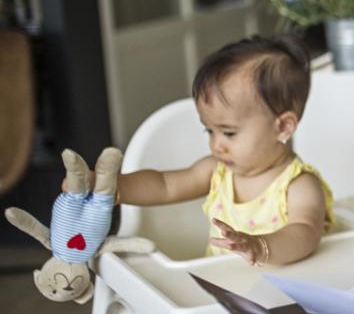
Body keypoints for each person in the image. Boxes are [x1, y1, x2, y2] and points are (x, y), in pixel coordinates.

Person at [107, 35, 334, 265]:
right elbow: (164, 186)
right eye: (209, 131)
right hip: (219, 292)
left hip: (280, 297)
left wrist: (260, 247)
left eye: (229, 133)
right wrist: (112, 188)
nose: (217, 145)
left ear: (284, 127)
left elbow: (305, 233)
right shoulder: (216, 171)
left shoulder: (298, 185)